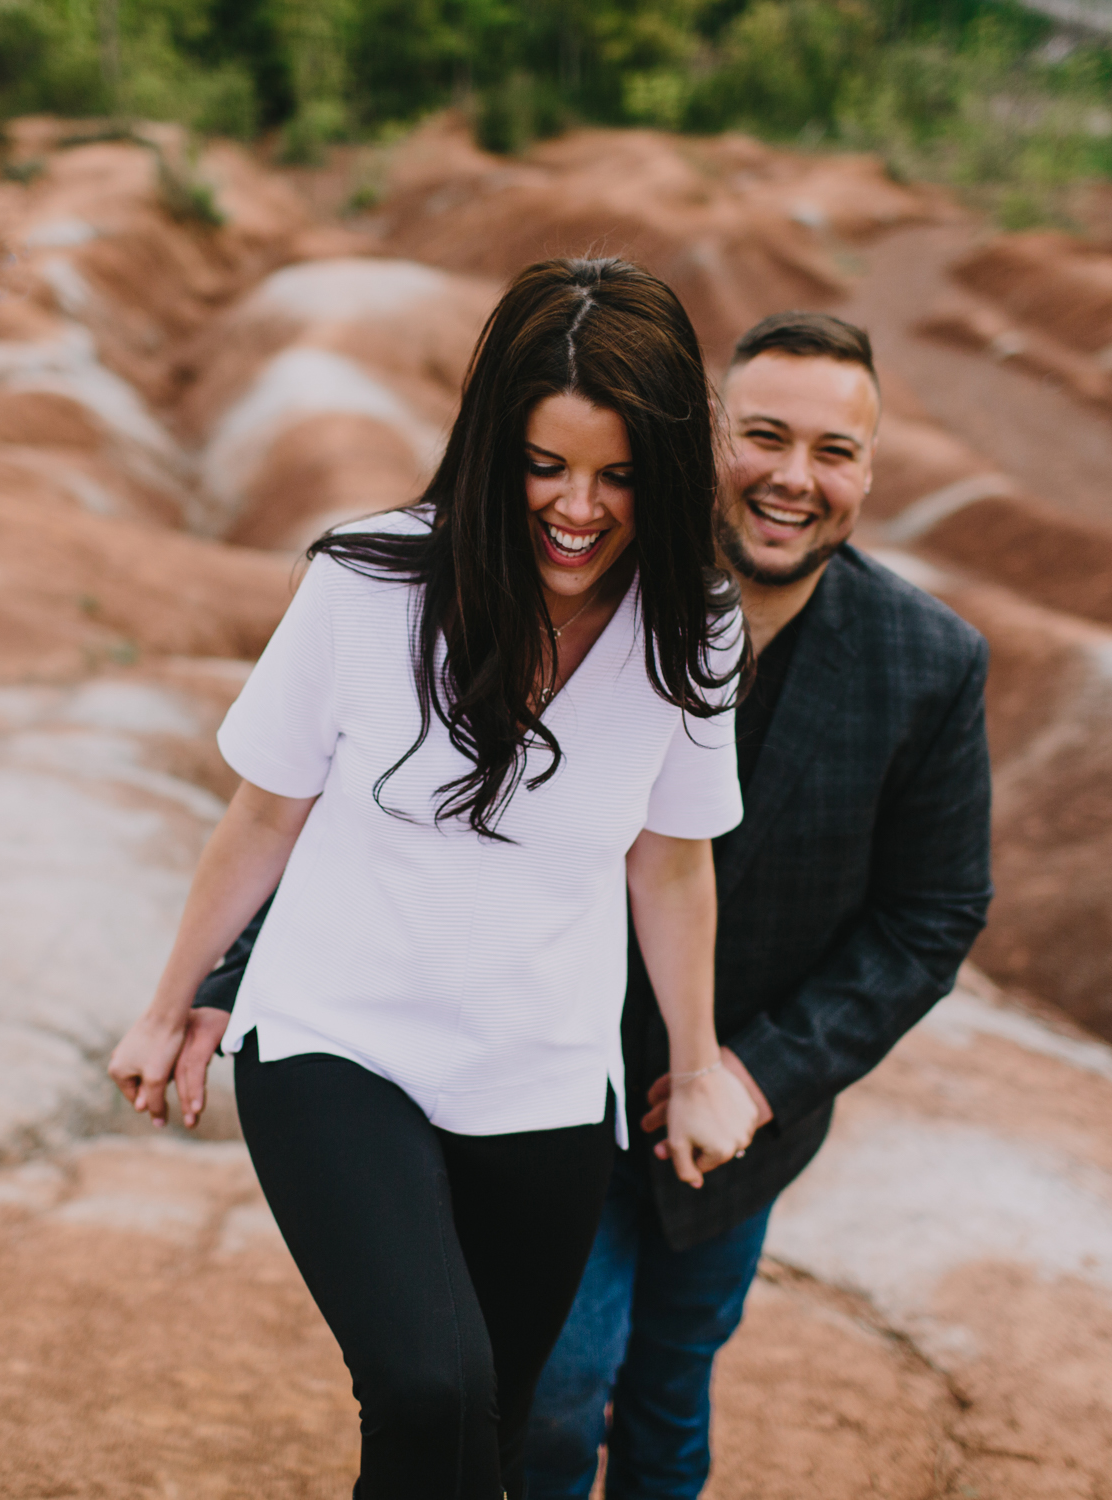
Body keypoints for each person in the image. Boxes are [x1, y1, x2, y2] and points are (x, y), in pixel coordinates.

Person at [182, 311, 993, 1498]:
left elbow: (932, 916)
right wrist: (222, 978)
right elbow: (372, 801)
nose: (793, 477)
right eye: (764, 436)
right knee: (538, 1399)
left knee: (669, 1390)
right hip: (535, 1078)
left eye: (837, 451)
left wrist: (749, 1074)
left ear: (872, 472)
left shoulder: (926, 662)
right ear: (703, 438)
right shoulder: (553, 573)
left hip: (731, 1113)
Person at [107, 257, 764, 1500]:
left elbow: (671, 865)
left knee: (489, 1435)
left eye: (619, 475)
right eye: (544, 465)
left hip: (544, 1078)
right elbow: (263, 814)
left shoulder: (695, 628)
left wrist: (695, 1063)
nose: (578, 508)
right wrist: (170, 999)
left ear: (668, 478)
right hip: (335, 1042)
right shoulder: (367, 581)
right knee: (425, 1386)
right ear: (488, 448)